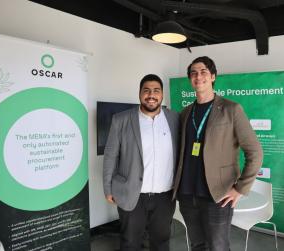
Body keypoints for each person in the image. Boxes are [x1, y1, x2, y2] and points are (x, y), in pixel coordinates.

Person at [172, 56, 263, 251]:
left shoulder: (232, 109)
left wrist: (240, 189)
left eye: (203, 72)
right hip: (187, 194)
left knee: (218, 247)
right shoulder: (185, 113)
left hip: (217, 196)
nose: (198, 77)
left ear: (213, 76)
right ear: (190, 79)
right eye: (194, 73)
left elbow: (255, 152)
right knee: (197, 245)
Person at [103, 74, 179, 251]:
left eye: (156, 91)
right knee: (130, 243)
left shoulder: (174, 119)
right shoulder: (121, 119)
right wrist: (107, 188)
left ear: (162, 95)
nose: (151, 95)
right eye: (146, 91)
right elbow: (110, 155)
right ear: (139, 94)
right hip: (132, 194)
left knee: (161, 242)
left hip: (165, 197)